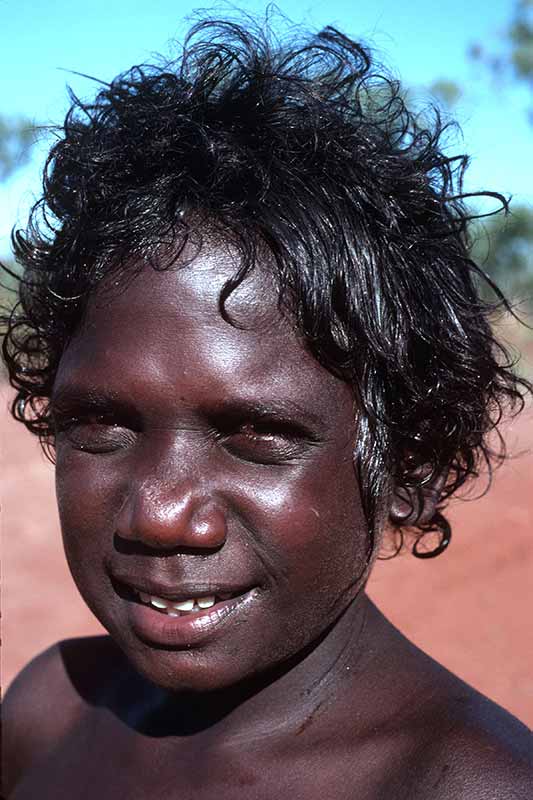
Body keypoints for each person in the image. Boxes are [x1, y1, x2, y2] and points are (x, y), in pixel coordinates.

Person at [2, 14, 532, 799]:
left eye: (255, 436)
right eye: (101, 425)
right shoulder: (51, 707)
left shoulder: (465, 785)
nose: (160, 515)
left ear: (410, 461)